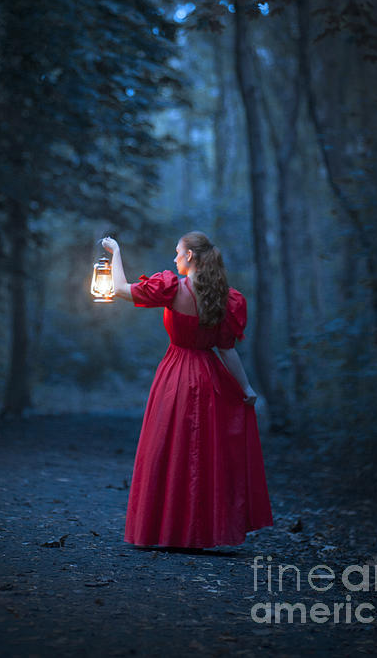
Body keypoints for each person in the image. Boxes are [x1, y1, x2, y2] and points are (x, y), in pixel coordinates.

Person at [101, 231, 273, 550]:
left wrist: (115, 252)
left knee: (169, 450)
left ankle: (165, 531)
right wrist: (245, 388)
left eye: (177, 252)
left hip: (175, 377)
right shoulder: (223, 298)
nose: (174, 258)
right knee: (201, 456)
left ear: (190, 256)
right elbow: (227, 350)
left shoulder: (171, 288)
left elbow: (119, 289)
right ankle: (196, 533)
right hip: (208, 379)